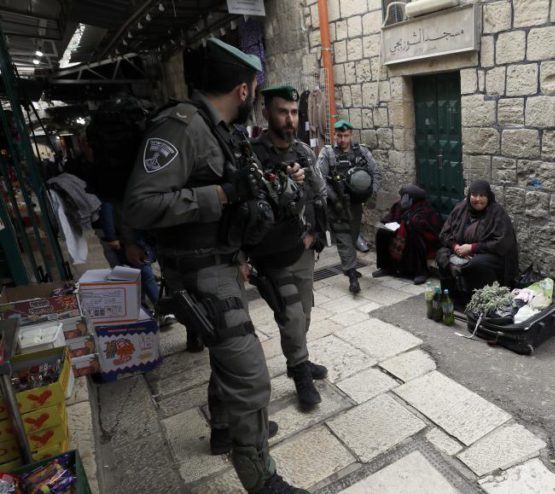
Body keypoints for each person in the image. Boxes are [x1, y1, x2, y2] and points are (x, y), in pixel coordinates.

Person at [122, 38, 307, 494]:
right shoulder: (181, 126)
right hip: (199, 272)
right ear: (244, 90)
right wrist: (221, 195)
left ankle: (223, 429)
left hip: (222, 264)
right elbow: (139, 206)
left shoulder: (219, 130)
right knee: (249, 373)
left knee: (229, 359)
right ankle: (263, 483)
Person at [245, 85, 328, 410]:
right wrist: (278, 182)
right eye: (282, 111)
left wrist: (315, 235)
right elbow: (243, 205)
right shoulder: (253, 154)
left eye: (294, 112)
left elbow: (321, 196)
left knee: (304, 315)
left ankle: (299, 360)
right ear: (266, 113)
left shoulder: (305, 153)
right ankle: (300, 376)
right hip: (270, 256)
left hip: (301, 251)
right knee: (292, 316)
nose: (289, 118)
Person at [317, 120, 380, 294]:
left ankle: (349, 265)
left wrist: (369, 194)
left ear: (351, 135)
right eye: (339, 136)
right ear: (334, 135)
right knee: (344, 237)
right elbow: (319, 179)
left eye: (345, 136)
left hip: (355, 205)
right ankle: (352, 276)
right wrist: (332, 198)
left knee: (351, 236)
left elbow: (375, 172)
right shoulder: (327, 154)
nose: (342, 139)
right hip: (335, 205)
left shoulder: (362, 151)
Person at [436, 180, 519, 306]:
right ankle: (452, 297)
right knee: (442, 254)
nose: (478, 199)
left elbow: (502, 243)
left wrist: (472, 248)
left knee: (476, 264)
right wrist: (456, 246)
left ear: (488, 196)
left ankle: (479, 301)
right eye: (474, 195)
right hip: (461, 250)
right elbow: (445, 233)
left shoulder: (496, 213)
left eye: (482, 195)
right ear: (469, 195)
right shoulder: (461, 208)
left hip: (491, 254)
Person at [372, 184, 441, 285]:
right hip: (399, 232)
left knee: (414, 237)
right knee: (382, 233)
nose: (403, 199)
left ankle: (421, 272)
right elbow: (390, 218)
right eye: (403, 196)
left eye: (406, 196)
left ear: (413, 198)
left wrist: (408, 216)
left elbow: (421, 226)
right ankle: (387, 267)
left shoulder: (424, 208)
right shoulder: (399, 205)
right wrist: (387, 224)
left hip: (420, 238)